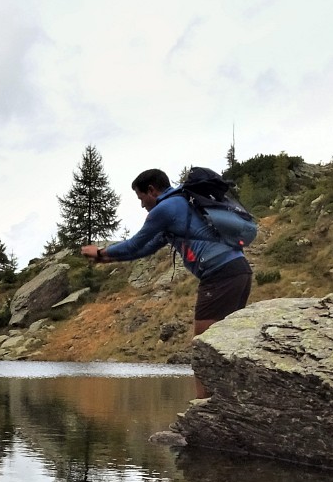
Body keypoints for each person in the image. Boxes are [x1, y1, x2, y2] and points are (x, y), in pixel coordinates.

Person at [81, 168, 253, 399]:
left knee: (203, 347)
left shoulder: (165, 209)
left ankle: (203, 409)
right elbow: (145, 248)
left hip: (219, 275)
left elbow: (134, 243)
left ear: (152, 190)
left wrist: (100, 251)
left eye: (141, 198)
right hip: (239, 271)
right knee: (224, 343)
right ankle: (229, 401)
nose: (142, 205)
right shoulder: (181, 205)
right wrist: (105, 258)